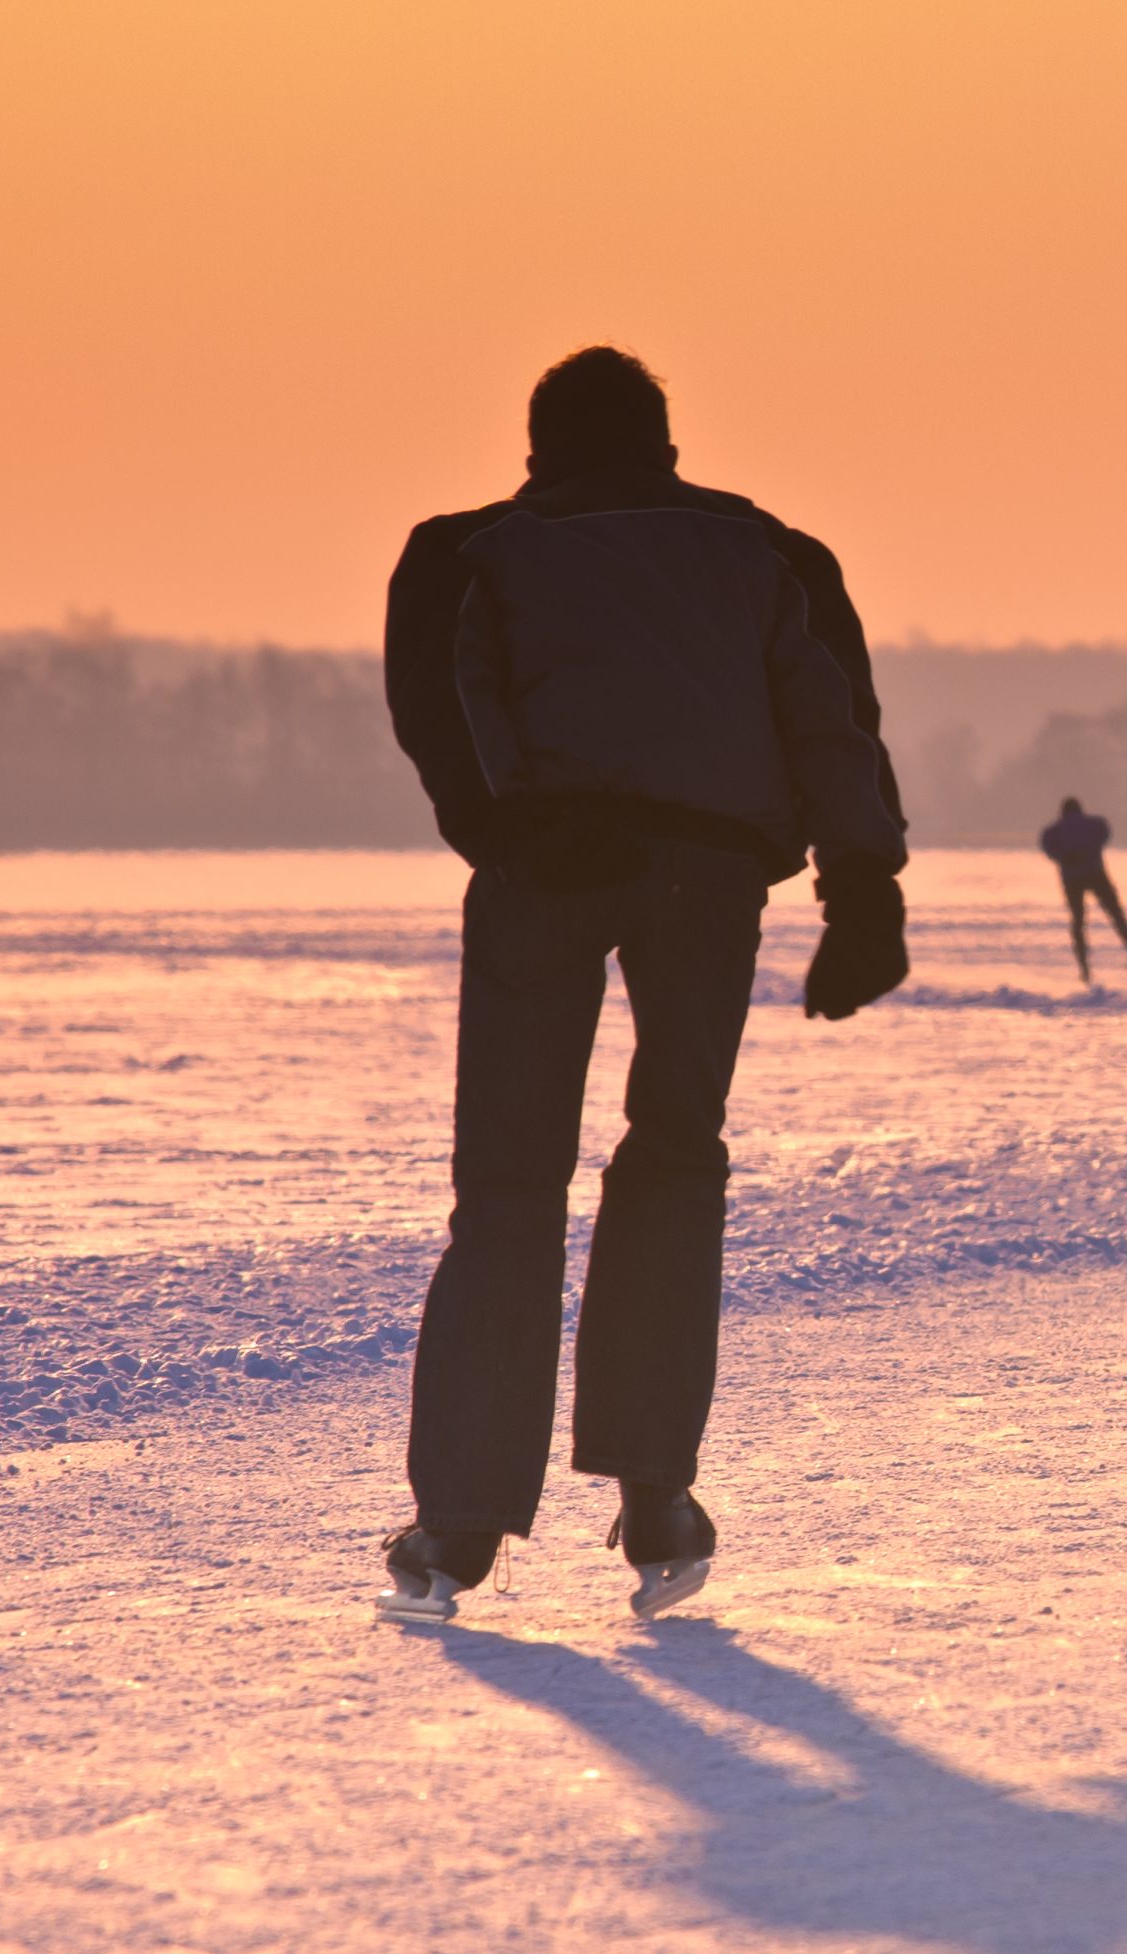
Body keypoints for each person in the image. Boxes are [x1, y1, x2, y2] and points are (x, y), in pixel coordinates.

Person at [376, 346, 910, 1622]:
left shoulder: (464, 551)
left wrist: (508, 834)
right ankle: (657, 1490)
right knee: (673, 1156)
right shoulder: (769, 551)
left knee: (507, 1184)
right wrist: (862, 888)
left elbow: (440, 710)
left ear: (537, 446)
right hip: (704, 881)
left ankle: (456, 1525)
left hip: (542, 874)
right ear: (665, 443)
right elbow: (830, 721)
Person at [1041, 797, 1127, 984]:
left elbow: (1047, 846)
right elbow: (1104, 831)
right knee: (1117, 916)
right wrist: (1090, 850)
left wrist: (1065, 857)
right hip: (1096, 873)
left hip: (1072, 879)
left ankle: (1084, 969)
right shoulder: (1093, 823)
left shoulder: (1054, 830)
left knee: (1078, 921)